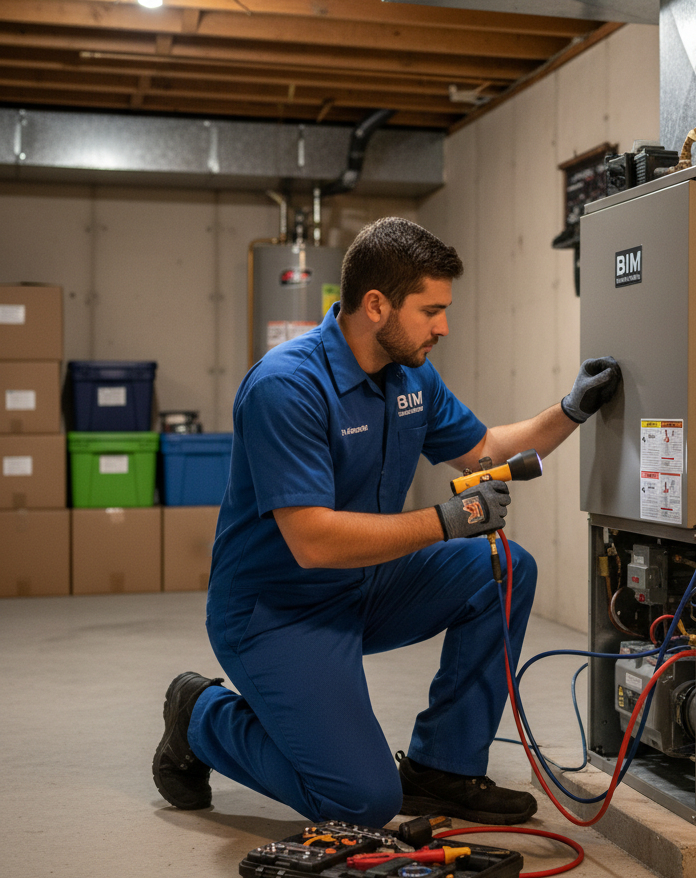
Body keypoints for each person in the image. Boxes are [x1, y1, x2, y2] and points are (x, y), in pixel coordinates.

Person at [152, 216, 620, 828]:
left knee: (502, 567)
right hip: (276, 612)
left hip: (364, 584)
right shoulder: (286, 386)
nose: (443, 327)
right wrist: (446, 521)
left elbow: (486, 450)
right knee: (361, 801)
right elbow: (313, 540)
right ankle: (201, 715)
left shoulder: (411, 378)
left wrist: (571, 409)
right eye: (431, 310)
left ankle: (442, 770)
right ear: (376, 305)